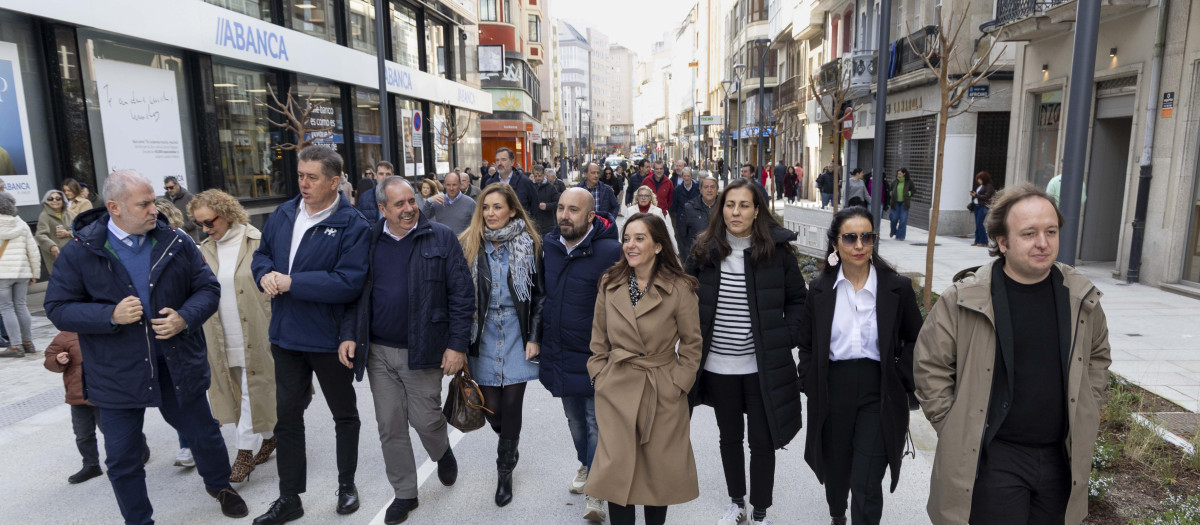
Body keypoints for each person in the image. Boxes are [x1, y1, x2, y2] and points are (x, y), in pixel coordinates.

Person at [44, 170, 248, 522]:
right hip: (116, 373)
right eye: (145, 203)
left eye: (154, 200)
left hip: (176, 364)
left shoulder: (176, 240)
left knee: (203, 434)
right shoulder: (80, 251)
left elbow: (208, 289)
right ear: (114, 207)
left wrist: (185, 317)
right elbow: (57, 308)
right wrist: (110, 315)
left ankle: (220, 485)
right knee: (123, 458)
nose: (155, 209)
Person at [916, 184, 1111, 525]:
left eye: (1051, 231)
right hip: (994, 456)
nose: (1043, 243)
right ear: (1002, 242)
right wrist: (954, 425)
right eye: (1029, 233)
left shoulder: (1080, 297)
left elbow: (1097, 355)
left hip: (1059, 458)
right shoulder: (964, 298)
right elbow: (930, 365)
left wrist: (1088, 406)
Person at [341, 176, 472, 524]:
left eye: (411, 201)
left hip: (424, 348)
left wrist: (457, 345)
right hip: (379, 352)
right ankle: (405, 494)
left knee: (426, 419)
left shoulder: (440, 237)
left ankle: (441, 449)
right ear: (382, 209)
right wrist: (349, 334)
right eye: (399, 204)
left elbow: (462, 295)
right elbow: (354, 294)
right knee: (390, 424)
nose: (409, 209)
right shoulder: (368, 240)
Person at [251, 146, 370, 524]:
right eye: (301, 175)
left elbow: (348, 283)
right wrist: (264, 274)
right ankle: (290, 498)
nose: (303, 183)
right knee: (287, 418)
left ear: (335, 182)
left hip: (329, 338)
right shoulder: (284, 213)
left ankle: (346, 485)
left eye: (312, 177)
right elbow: (262, 255)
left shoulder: (354, 225)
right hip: (286, 337)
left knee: (344, 414)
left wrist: (291, 282)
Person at [686, 178, 806, 525]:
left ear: (757, 211)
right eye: (729, 204)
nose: (735, 212)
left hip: (761, 366)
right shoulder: (704, 250)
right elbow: (682, 293)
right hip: (719, 365)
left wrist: (783, 336)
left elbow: (799, 300)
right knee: (730, 437)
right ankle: (736, 503)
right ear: (720, 209)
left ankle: (761, 511)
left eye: (744, 205)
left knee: (763, 440)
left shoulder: (776, 252)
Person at [797, 207, 924, 525]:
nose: (859, 245)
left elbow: (916, 340)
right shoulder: (820, 290)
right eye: (850, 237)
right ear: (836, 243)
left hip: (878, 391)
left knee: (867, 480)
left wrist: (901, 378)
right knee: (837, 469)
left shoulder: (897, 288)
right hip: (832, 389)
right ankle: (837, 515)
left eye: (867, 237)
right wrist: (810, 382)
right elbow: (808, 345)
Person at [586, 212, 702, 525]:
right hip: (616, 389)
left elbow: (692, 345)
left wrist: (678, 384)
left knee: (657, 474)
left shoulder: (680, 288)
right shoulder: (610, 283)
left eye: (640, 239)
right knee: (615, 471)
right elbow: (598, 339)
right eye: (626, 238)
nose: (630, 245)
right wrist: (599, 374)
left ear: (659, 246)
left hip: (661, 388)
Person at [459, 183, 545, 507]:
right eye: (486, 207)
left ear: (511, 210)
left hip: (516, 331)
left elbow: (539, 296)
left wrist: (535, 336)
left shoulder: (530, 243)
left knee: (511, 405)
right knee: (492, 409)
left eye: (498, 207)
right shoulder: (468, 244)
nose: (491, 213)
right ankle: (510, 442)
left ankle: (504, 470)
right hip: (480, 332)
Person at [539, 187, 622, 523]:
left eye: (573, 210)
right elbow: (540, 295)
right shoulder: (549, 246)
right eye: (560, 208)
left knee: (594, 423)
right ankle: (587, 465)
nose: (564, 215)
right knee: (575, 421)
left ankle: (597, 492)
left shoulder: (610, 251)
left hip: (593, 355)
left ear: (591, 217)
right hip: (558, 352)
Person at [189, 190, 278, 484]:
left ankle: (243, 452)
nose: (205, 228)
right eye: (199, 224)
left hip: (255, 330)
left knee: (254, 387)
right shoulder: (203, 250)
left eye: (209, 221)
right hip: (220, 333)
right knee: (239, 391)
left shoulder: (258, 241)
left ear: (226, 213)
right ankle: (270, 435)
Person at [44, 330, 153, 483]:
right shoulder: (65, 336)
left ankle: (138, 447)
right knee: (82, 434)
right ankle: (91, 465)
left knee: (112, 429)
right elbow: (49, 359)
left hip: (103, 395)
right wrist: (58, 360)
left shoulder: (102, 330)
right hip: (77, 396)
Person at [0, 192, 39, 358]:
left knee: (6, 308)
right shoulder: (22, 224)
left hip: (2, 274)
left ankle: (15, 345)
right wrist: (34, 273)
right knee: (21, 306)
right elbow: (33, 251)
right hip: (22, 271)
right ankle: (27, 342)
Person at [481, 147, 539, 214]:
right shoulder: (490, 183)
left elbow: (535, 206)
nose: (500, 163)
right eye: (497, 160)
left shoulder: (525, 182)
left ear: (512, 162)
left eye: (503, 160)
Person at [420, 171, 476, 236]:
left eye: (454, 185)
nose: (451, 188)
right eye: (448, 185)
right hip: (443, 243)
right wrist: (428, 201)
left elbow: (478, 225)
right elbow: (423, 218)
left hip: (463, 244)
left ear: (460, 184)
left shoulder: (470, 203)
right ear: (444, 185)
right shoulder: (438, 201)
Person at [677, 175, 718, 263]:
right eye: (706, 187)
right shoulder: (689, 208)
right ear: (700, 189)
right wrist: (689, 254)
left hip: (719, 257)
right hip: (696, 257)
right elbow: (682, 234)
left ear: (717, 189)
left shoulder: (724, 207)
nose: (709, 190)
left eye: (712, 187)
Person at [35, 189, 72, 276]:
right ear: (46, 201)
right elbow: (40, 234)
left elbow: (77, 229)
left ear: (63, 200)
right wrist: (52, 246)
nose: (54, 200)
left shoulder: (68, 214)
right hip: (57, 257)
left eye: (58, 198)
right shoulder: (44, 216)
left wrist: (68, 233)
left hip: (71, 254)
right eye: (50, 198)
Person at [629, 186, 677, 253]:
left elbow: (665, 229)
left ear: (650, 197)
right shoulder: (630, 211)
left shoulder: (657, 211)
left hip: (652, 245)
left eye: (646, 196)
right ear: (637, 197)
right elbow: (624, 228)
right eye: (641, 195)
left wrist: (672, 247)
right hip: (634, 244)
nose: (643, 198)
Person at [529, 165, 561, 235]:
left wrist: (547, 206)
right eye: (535, 176)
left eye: (539, 176)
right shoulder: (530, 187)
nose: (537, 178)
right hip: (534, 224)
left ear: (544, 175)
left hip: (548, 225)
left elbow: (558, 203)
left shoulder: (551, 187)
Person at [163, 176, 198, 240]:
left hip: (190, 237)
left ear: (178, 185)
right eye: (166, 188)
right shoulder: (165, 200)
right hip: (172, 238)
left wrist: (184, 228)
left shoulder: (189, 197)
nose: (169, 190)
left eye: (171, 187)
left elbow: (197, 218)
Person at [888, 168, 915, 241]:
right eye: (898, 174)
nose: (898, 175)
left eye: (900, 174)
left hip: (904, 204)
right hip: (895, 203)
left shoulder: (909, 182)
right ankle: (893, 231)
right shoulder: (895, 181)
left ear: (904, 174)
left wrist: (909, 193)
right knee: (893, 219)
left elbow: (913, 190)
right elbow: (890, 189)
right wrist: (891, 193)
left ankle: (900, 236)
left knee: (903, 220)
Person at [970, 171, 996, 247]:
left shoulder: (989, 186)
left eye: (980, 179)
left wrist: (976, 195)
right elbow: (979, 195)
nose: (978, 181)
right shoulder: (980, 186)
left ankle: (984, 241)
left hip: (983, 206)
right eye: (978, 179)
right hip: (977, 206)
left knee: (979, 223)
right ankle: (977, 240)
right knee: (977, 224)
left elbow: (987, 197)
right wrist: (974, 195)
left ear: (984, 179)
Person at [671, 168, 700, 235]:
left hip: (695, 218)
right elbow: (675, 205)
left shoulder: (698, 188)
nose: (686, 178)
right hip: (682, 219)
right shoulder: (677, 190)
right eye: (684, 176)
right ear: (682, 177)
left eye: (688, 176)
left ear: (691, 176)